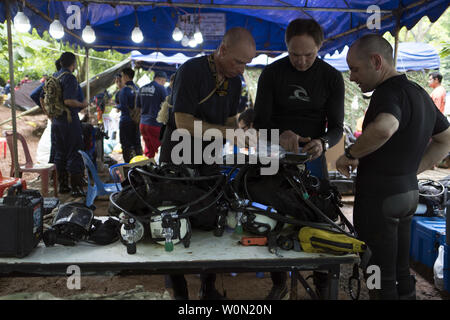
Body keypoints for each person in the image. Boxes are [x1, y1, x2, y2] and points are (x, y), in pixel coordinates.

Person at [336, 34, 450, 300]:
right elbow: (446, 139)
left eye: (355, 69)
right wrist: (412, 169)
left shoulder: (388, 92)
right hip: (407, 193)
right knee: (400, 268)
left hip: (381, 197)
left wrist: (350, 154)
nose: (352, 77)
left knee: (378, 272)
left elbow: (386, 128)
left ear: (376, 61)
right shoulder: (419, 93)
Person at [159, 27, 256, 300]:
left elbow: (228, 123)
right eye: (238, 61)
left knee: (212, 216)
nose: (242, 68)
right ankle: (179, 291)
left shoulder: (235, 82)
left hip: (210, 153)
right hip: (178, 150)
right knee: (175, 218)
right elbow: (183, 123)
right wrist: (229, 133)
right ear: (222, 50)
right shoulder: (192, 71)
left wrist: (242, 137)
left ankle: (208, 285)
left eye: (247, 64)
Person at [253, 18, 345, 300]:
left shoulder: (331, 77)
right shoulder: (271, 74)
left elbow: (337, 128)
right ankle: (278, 279)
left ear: (320, 46)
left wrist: (323, 142)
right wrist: (279, 135)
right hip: (273, 153)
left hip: (312, 155)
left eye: (309, 54)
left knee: (318, 214)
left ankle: (320, 279)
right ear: (286, 47)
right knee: (273, 215)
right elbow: (258, 123)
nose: (302, 61)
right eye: (295, 54)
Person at [42, 52, 88, 197]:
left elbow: (41, 97)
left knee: (59, 152)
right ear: (73, 64)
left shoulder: (54, 76)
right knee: (74, 152)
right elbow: (68, 101)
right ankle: (76, 187)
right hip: (69, 120)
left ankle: (62, 185)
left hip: (56, 121)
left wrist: (49, 114)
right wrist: (82, 104)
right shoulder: (69, 78)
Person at [136, 71, 168, 158]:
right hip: (155, 125)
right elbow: (167, 106)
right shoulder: (161, 89)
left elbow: (138, 108)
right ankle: (160, 170)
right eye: (164, 81)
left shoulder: (142, 88)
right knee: (161, 150)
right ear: (160, 79)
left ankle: (148, 167)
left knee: (149, 150)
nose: (164, 83)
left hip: (143, 124)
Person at [116, 67, 142, 163]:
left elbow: (123, 106)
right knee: (137, 144)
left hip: (126, 121)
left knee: (126, 145)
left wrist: (117, 106)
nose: (121, 78)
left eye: (122, 76)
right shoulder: (138, 89)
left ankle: (128, 166)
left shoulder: (124, 90)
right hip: (136, 121)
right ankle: (140, 164)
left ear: (126, 76)